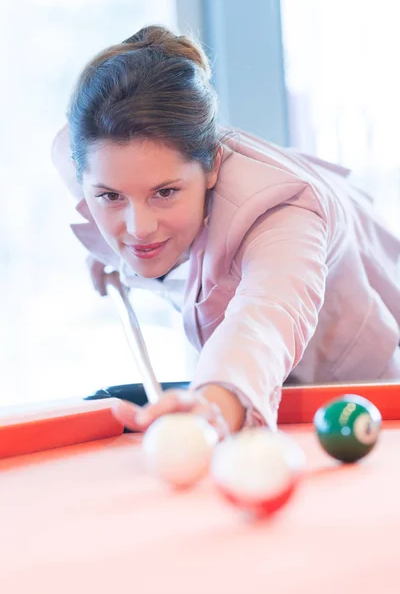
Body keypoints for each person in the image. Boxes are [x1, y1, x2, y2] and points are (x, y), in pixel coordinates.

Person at [52, 25, 400, 438]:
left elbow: (266, 316)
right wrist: (111, 254)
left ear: (213, 165)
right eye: (110, 196)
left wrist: (214, 405)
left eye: (165, 192)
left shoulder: (282, 213)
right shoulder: (82, 150)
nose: (139, 227)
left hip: (353, 386)